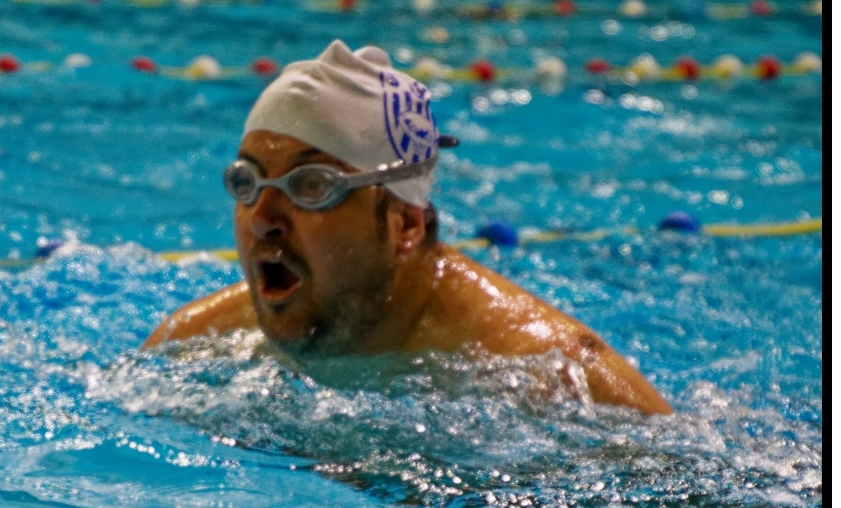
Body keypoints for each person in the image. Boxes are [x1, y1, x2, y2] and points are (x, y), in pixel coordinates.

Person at [143, 40, 672, 416]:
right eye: (248, 182)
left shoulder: (554, 379)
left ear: (405, 225)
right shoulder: (192, 344)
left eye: (312, 187)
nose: (262, 219)